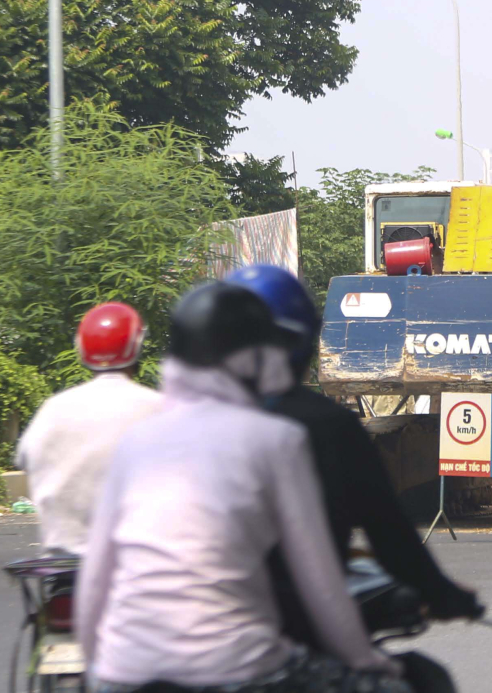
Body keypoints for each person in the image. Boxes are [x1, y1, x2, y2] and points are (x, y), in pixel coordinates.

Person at [77, 282, 410, 693]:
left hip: (123, 671)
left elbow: (95, 578)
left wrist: (100, 670)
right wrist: (364, 660)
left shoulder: (136, 441)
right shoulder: (277, 440)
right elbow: (319, 582)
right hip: (239, 668)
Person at [223, 264, 480, 634]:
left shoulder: (169, 426)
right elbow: (390, 534)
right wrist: (442, 594)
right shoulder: (326, 426)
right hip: (286, 634)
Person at [15, 302, 164, 553]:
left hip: (62, 560)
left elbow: (23, 460)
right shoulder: (159, 407)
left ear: (82, 346)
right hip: (136, 559)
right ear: (137, 345)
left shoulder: (54, 408)